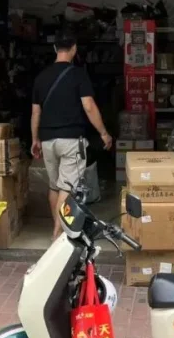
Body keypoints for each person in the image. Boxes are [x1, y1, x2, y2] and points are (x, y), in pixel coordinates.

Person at [31, 28, 113, 239]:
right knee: (67, 188)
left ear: (54, 48)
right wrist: (103, 133)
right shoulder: (78, 75)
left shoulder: (41, 77)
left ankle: (59, 232)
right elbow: (89, 106)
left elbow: (35, 112)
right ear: (74, 49)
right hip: (71, 141)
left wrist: (35, 139)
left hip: (48, 141)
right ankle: (58, 233)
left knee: (54, 186)